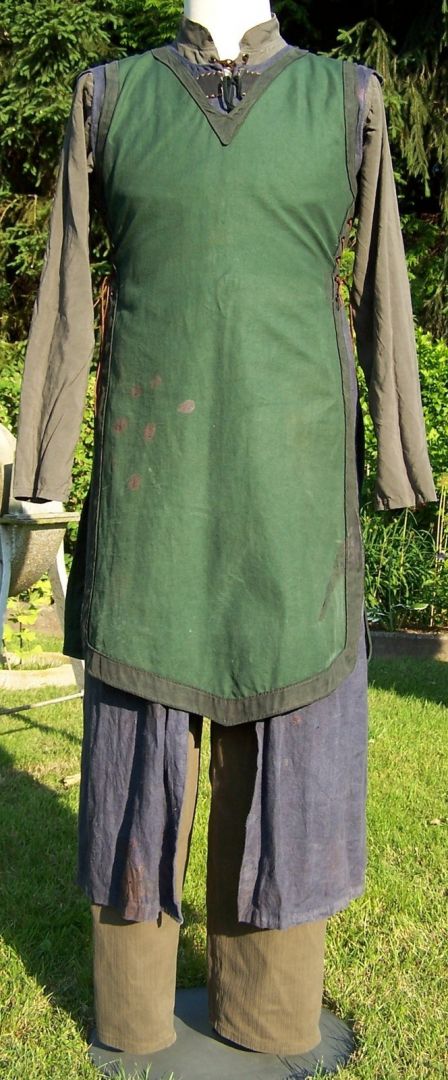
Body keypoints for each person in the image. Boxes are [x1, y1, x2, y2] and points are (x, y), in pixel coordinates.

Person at [13, 0, 436, 1058]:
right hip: (153, 482)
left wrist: (397, 459)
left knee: (286, 738)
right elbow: (66, 284)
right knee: (137, 749)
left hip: (293, 487)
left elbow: (381, 281)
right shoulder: (111, 97)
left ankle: (269, 1009)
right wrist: (42, 476)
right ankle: (132, 1014)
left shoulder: (346, 99)